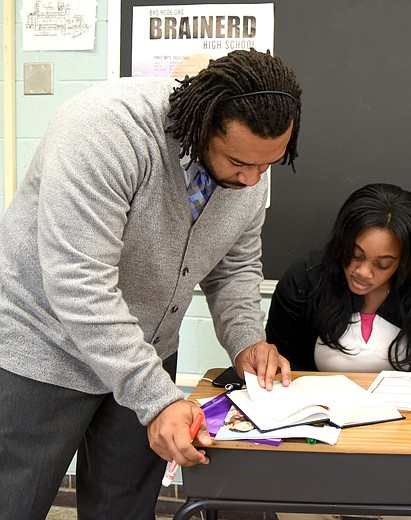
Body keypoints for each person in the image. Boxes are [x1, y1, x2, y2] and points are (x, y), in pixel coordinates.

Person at [0, 48, 300, 519]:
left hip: (145, 353)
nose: (253, 178)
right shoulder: (104, 132)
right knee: (13, 502)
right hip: (42, 348)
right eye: (240, 162)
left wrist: (246, 341)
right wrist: (158, 399)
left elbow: (235, 267)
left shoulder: (251, 166)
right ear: (201, 127)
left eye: (269, 165)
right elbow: (80, 285)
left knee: (123, 511)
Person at [266, 183, 411, 374]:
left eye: (383, 264)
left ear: (405, 262)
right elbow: (279, 367)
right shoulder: (305, 280)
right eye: (355, 254)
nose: (363, 272)